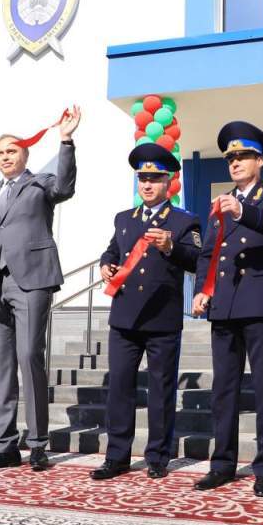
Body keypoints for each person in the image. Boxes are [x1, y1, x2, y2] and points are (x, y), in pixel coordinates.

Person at [0, 106, 81, 472]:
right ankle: (5, 445)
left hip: (32, 281)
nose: (5, 157)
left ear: (25, 153)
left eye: (12, 151)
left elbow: (66, 186)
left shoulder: (40, 184)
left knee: (29, 356)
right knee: (0, 365)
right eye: (0, 152)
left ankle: (38, 444)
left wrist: (66, 140)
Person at [191, 121, 263, 498]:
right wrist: (201, 290)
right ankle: (222, 464)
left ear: (259, 161)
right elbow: (209, 252)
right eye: (231, 158)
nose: (235, 162)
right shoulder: (220, 202)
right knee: (224, 390)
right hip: (224, 305)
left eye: (243, 156)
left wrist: (243, 211)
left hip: (260, 304)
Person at [90, 143, 201, 480]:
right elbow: (112, 251)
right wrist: (106, 264)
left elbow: (198, 260)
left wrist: (171, 247)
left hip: (161, 318)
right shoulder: (125, 219)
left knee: (161, 390)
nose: (148, 185)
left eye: (155, 178)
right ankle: (117, 456)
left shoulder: (184, 220)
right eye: (143, 179)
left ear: (169, 182)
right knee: (120, 389)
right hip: (124, 317)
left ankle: (157, 457)